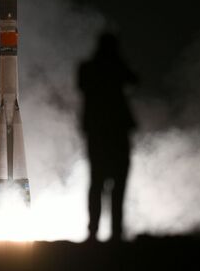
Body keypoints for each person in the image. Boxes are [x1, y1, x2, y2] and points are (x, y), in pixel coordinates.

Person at [77, 31, 138, 242]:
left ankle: (96, 232)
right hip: (114, 133)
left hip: (99, 133)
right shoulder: (111, 68)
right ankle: (114, 233)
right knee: (114, 185)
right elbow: (134, 79)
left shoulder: (88, 68)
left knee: (98, 183)